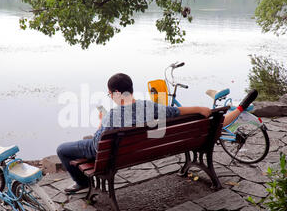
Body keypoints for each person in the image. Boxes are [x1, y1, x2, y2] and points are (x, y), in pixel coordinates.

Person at [57, 73, 258, 193]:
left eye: (110, 93)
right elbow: (177, 111)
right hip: (151, 149)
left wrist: (102, 122)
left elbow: (98, 146)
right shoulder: (150, 107)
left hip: (112, 156)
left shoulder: (112, 116)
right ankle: (240, 109)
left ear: (117, 93)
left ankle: (82, 183)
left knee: (62, 149)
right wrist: (199, 107)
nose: (110, 97)